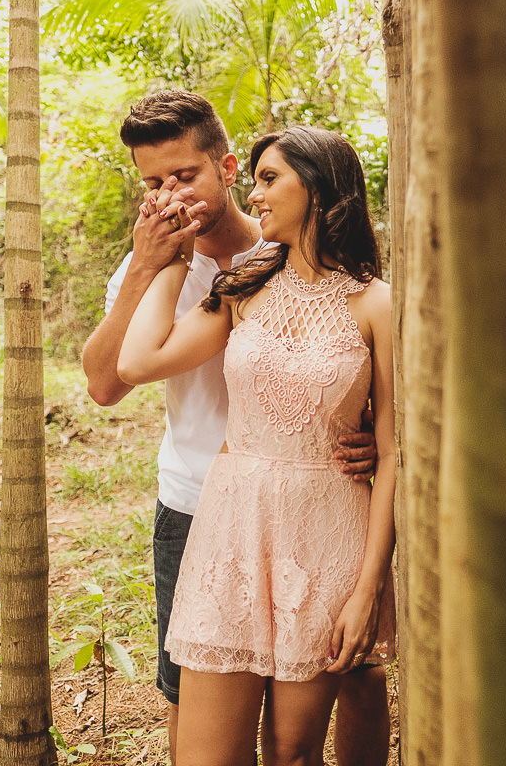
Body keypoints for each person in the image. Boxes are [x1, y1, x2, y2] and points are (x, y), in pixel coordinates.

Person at [81, 92, 390, 765]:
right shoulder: (174, 271)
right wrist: (156, 263)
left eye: (183, 176)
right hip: (203, 505)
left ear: (224, 169)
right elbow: (112, 379)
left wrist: (365, 432)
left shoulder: (291, 264)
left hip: (323, 510)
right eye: (153, 183)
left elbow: (382, 407)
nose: (169, 196)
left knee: (342, 695)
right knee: (191, 707)